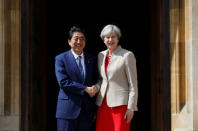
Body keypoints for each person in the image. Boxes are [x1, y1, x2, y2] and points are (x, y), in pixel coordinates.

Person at [95, 24, 138, 131]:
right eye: (107, 37)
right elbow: (102, 79)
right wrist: (96, 87)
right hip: (103, 104)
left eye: (113, 37)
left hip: (120, 106)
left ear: (118, 38)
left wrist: (131, 108)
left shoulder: (127, 55)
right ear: (103, 39)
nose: (110, 40)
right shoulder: (101, 55)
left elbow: (133, 84)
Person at [55, 26, 98, 131]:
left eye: (82, 38)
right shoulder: (61, 58)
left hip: (86, 112)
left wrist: (96, 87)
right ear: (69, 41)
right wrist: (85, 89)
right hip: (67, 110)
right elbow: (63, 82)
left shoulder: (92, 59)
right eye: (76, 38)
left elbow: (97, 79)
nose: (79, 41)